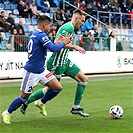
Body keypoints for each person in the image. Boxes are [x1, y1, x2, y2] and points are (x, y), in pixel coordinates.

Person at [2, 15, 71, 124]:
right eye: (49, 26)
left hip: (41, 70)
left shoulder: (34, 34)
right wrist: (64, 42)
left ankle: (41, 103)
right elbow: (53, 49)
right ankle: (7, 112)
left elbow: (28, 48)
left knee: (57, 87)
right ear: (45, 25)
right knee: (24, 97)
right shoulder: (41, 34)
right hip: (32, 72)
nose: (50, 28)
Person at [21, 9, 89, 117]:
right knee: (51, 88)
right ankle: (27, 101)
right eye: (82, 21)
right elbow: (57, 43)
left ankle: (76, 107)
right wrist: (75, 46)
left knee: (83, 80)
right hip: (56, 63)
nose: (83, 23)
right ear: (76, 18)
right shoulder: (68, 27)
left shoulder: (70, 28)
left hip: (65, 61)